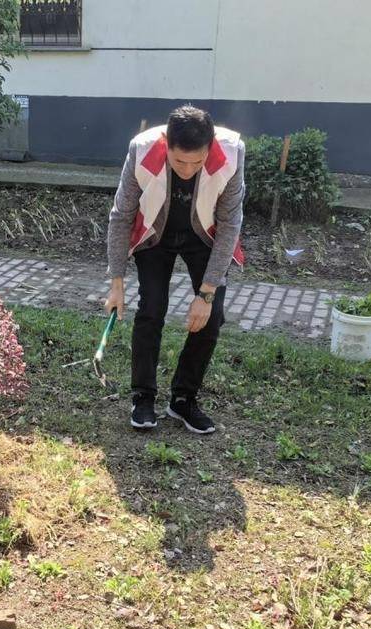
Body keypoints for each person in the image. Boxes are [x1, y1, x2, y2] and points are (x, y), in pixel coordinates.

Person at [104, 105, 246, 435]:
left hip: (204, 236)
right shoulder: (141, 149)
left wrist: (206, 293)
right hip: (157, 234)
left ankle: (183, 399)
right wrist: (116, 282)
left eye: (197, 162)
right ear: (166, 143)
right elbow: (121, 216)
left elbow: (229, 225)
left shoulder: (232, 153)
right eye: (179, 160)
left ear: (210, 147)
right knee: (152, 309)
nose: (187, 169)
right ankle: (142, 397)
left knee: (210, 318)